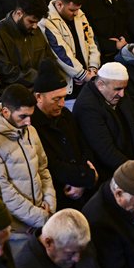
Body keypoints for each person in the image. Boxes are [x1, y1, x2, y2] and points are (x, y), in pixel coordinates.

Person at [0, 84, 56, 251]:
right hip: (16, 230)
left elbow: (43, 169)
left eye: (30, 116)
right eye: (23, 116)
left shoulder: (30, 130)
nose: (28, 122)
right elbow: (3, 189)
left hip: (41, 219)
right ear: (6, 112)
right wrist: (39, 217)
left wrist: (50, 202)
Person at [31, 59, 97, 208]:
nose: (62, 103)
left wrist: (83, 180)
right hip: (58, 193)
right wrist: (84, 177)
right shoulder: (31, 126)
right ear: (39, 97)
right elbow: (50, 165)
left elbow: (84, 146)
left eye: (64, 97)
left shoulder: (65, 115)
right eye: (56, 99)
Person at [73, 61, 134, 176]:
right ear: (100, 85)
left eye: (124, 88)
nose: (122, 94)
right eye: (117, 89)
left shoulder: (117, 91)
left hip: (132, 160)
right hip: (112, 172)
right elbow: (106, 152)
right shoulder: (87, 107)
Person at [14, 208, 109, 268]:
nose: (77, 258)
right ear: (48, 243)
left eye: (81, 251)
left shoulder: (79, 240)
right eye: (70, 253)